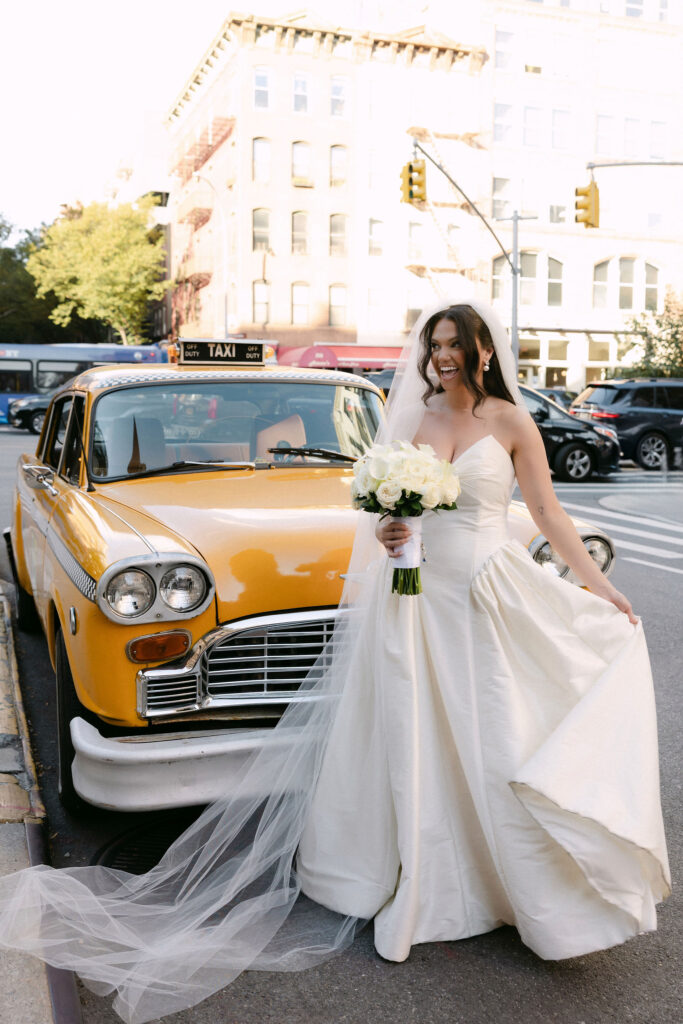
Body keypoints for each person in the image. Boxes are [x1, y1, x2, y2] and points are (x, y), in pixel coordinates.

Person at [0, 300, 670, 1024]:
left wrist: (600, 587)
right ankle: (416, 877)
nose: (443, 357)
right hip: (413, 601)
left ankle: (511, 886)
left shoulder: (510, 422)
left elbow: (545, 513)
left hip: (482, 597)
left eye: (456, 345)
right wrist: (390, 524)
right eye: (435, 345)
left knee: (495, 735)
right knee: (413, 734)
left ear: (483, 351)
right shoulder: (411, 421)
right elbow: (394, 513)